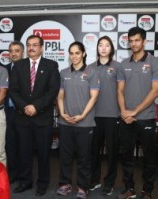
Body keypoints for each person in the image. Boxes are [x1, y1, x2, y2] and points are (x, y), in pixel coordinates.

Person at [10, 35, 60, 196]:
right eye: (29, 45)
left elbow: (52, 91)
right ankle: (25, 182)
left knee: (44, 154)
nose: (31, 48)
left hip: (42, 118)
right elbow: (13, 91)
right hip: (22, 117)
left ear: (42, 47)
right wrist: (25, 106)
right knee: (24, 153)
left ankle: (43, 183)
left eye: (35, 45)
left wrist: (35, 106)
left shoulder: (51, 65)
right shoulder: (18, 66)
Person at [116, 27, 158, 199]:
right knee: (126, 157)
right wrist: (124, 111)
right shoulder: (123, 64)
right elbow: (119, 90)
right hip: (127, 119)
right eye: (131, 41)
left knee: (149, 158)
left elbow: (155, 90)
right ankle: (130, 189)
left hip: (146, 118)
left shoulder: (154, 62)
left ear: (144, 41)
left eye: (137, 40)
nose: (133, 44)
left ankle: (147, 191)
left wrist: (135, 111)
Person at [56, 41, 99, 199]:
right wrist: (62, 113)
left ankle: (83, 187)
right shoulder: (64, 72)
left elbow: (94, 97)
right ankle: (64, 184)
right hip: (65, 122)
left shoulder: (92, 72)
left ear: (83, 54)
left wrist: (82, 115)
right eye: (71, 53)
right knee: (65, 156)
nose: (74, 56)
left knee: (84, 157)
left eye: (77, 53)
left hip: (85, 122)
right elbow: (60, 95)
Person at [89, 36, 120, 196]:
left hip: (112, 115)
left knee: (112, 152)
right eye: (100, 45)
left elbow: (123, 91)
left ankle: (109, 183)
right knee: (94, 151)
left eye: (107, 45)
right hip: (93, 116)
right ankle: (94, 180)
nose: (103, 48)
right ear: (97, 48)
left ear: (111, 48)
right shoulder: (90, 68)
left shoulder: (118, 67)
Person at [4, 40, 24, 184]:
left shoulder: (29, 68)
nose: (14, 53)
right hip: (8, 111)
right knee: (10, 144)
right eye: (11, 51)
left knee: (24, 145)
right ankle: (13, 173)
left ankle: (24, 175)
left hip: (24, 112)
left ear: (22, 52)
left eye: (17, 50)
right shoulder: (4, 69)